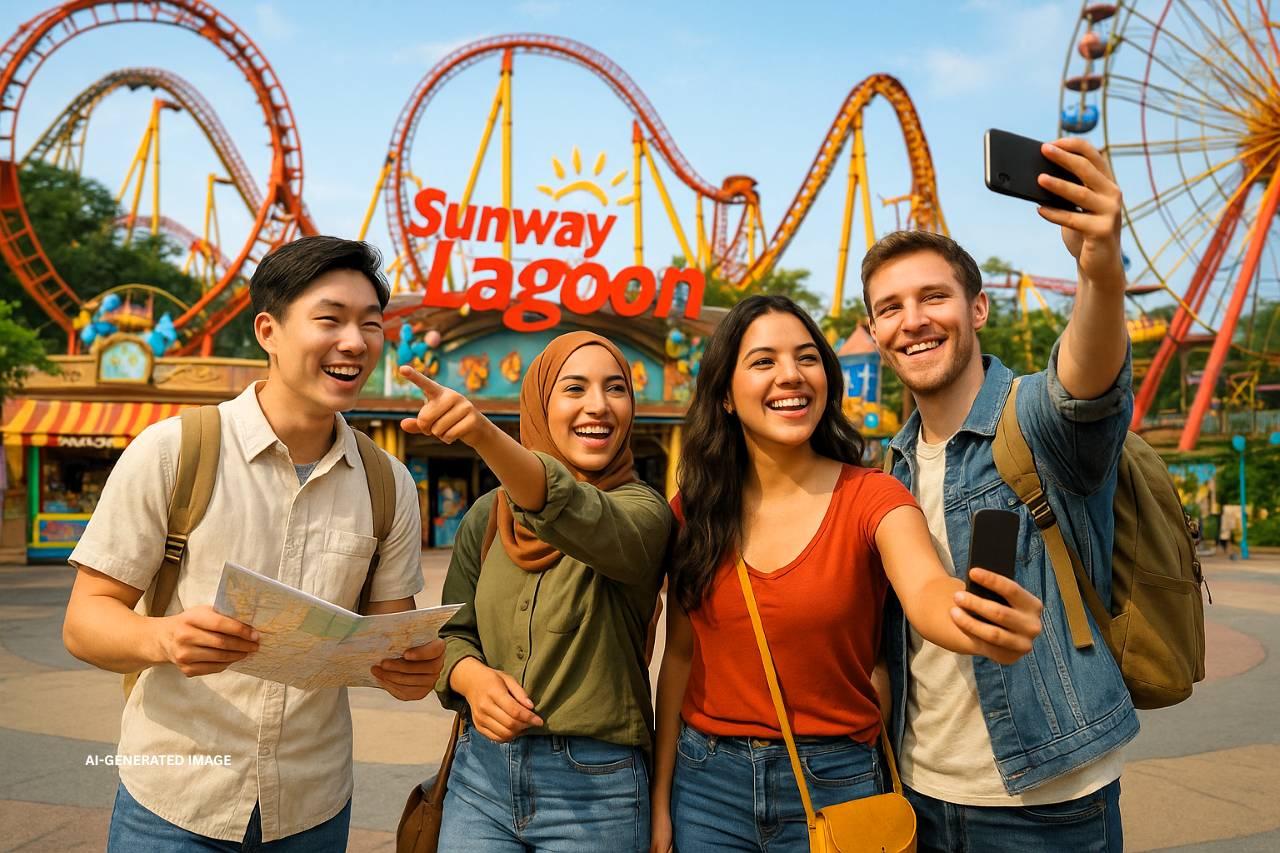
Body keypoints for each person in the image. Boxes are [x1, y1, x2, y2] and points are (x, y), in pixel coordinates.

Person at [62, 236, 445, 852]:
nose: (355, 342)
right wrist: (162, 637)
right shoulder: (173, 451)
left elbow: (387, 635)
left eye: (370, 325)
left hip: (313, 806)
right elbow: (84, 622)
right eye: (330, 320)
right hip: (174, 803)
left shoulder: (387, 482)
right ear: (268, 330)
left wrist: (412, 669)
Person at [649, 294, 1044, 853]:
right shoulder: (691, 513)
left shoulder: (873, 496)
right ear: (725, 396)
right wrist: (662, 801)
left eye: (807, 358)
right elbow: (681, 659)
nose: (791, 375)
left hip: (839, 782)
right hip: (707, 786)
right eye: (763, 361)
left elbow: (927, 589)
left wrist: (978, 621)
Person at [863, 137, 1134, 852]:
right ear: (874, 333)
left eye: (932, 297)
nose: (912, 319)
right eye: (889, 308)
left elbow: (1088, 382)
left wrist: (1101, 270)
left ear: (978, 308)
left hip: (1046, 800)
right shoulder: (885, 466)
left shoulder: (1034, 419)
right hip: (918, 791)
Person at [400, 331, 670, 853]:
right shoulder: (486, 515)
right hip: (480, 781)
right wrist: (472, 678)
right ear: (540, 407)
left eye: (616, 388)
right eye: (575, 389)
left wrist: (483, 435)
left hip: (599, 793)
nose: (599, 405)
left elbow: (568, 509)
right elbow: (450, 631)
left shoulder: (644, 513)